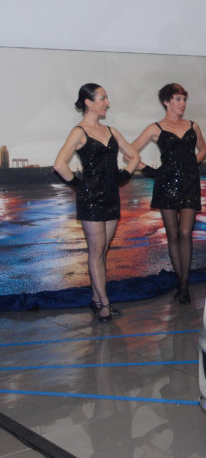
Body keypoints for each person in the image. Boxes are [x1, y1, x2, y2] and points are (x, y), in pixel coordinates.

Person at [54, 83, 140, 322]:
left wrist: (125, 174)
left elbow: (134, 155)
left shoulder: (111, 130)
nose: (107, 103)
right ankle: (104, 304)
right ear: (89, 102)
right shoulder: (79, 132)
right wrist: (79, 185)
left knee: (102, 252)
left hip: (112, 197)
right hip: (90, 200)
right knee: (96, 252)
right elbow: (59, 164)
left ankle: (95, 298)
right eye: (103, 98)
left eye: (107, 98)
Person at [131, 83, 206, 303]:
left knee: (186, 232)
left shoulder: (193, 125)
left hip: (190, 184)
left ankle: (184, 285)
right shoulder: (155, 127)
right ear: (166, 101)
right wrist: (150, 171)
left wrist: (192, 163)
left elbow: (204, 149)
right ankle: (181, 285)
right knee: (173, 235)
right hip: (166, 184)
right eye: (177, 99)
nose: (182, 104)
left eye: (184, 99)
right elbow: (130, 151)